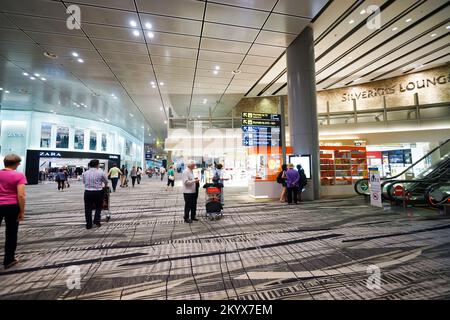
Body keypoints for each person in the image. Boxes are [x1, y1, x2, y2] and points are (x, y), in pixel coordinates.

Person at [0, 154, 27, 269]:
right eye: (19, 163)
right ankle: (8, 260)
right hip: (12, 207)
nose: (19, 165)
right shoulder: (19, 176)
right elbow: (21, 195)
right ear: (15, 164)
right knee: (11, 233)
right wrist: (22, 211)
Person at [82, 159, 108, 229]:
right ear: (97, 165)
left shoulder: (85, 173)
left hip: (87, 192)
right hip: (98, 192)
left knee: (88, 208)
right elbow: (106, 181)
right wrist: (104, 186)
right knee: (98, 207)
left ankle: (88, 224)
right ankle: (96, 220)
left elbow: (84, 182)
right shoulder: (101, 172)